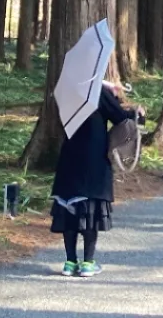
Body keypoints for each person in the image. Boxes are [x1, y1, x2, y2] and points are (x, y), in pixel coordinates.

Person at [50, 82, 142, 278]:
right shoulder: (96, 91)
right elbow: (120, 117)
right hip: (93, 157)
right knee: (90, 209)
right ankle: (88, 263)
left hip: (69, 155)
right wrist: (136, 111)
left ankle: (70, 262)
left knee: (69, 209)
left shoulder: (68, 90)